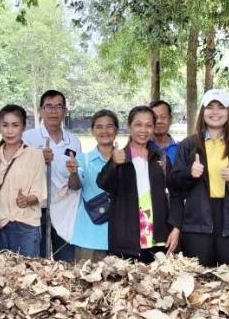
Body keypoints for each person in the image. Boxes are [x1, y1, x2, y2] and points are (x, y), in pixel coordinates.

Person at [168, 89, 229, 267]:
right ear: (203, 112)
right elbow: (174, 182)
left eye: (221, 107)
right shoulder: (188, 145)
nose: (215, 112)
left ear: (228, 112)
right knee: (199, 278)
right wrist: (189, 173)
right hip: (197, 223)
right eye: (210, 107)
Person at [98, 105, 181, 262]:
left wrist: (176, 228)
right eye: (138, 124)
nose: (143, 130)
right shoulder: (121, 157)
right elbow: (103, 183)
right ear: (129, 126)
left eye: (148, 125)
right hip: (126, 241)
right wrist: (113, 163)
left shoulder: (161, 158)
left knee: (158, 284)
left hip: (159, 239)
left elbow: (175, 194)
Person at [23, 89, 82, 261]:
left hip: (65, 210)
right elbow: (19, 171)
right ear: (41, 110)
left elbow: (76, 183)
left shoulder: (73, 141)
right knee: (36, 263)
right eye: (48, 107)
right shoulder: (28, 138)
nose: (53, 111)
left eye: (58, 107)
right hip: (37, 209)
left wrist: (74, 172)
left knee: (66, 263)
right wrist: (38, 158)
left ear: (65, 111)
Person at [0, 104, 48, 257]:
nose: (10, 131)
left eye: (15, 125)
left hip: (26, 228)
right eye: (5, 125)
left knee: (26, 276)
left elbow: (40, 192)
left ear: (23, 127)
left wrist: (27, 200)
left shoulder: (35, 156)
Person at [70, 110, 119, 261]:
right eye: (99, 127)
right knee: (85, 281)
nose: (104, 131)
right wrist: (73, 172)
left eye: (109, 126)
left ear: (117, 130)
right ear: (92, 131)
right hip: (88, 236)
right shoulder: (83, 160)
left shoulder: (125, 159)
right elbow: (75, 186)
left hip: (118, 235)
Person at [150, 99, 180, 166]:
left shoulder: (180, 149)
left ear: (170, 120)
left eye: (163, 117)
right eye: (154, 118)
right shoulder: (143, 147)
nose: (159, 121)